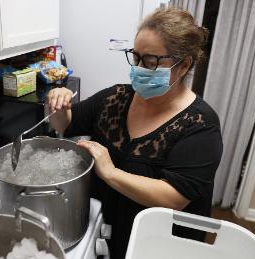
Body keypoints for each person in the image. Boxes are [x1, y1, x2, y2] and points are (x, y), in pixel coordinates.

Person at [47, 7, 223, 259]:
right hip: (105, 228)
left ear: (183, 66)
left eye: (150, 61)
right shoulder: (115, 98)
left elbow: (173, 197)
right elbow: (65, 125)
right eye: (136, 56)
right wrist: (58, 104)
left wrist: (111, 172)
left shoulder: (200, 125)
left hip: (158, 245)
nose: (139, 67)